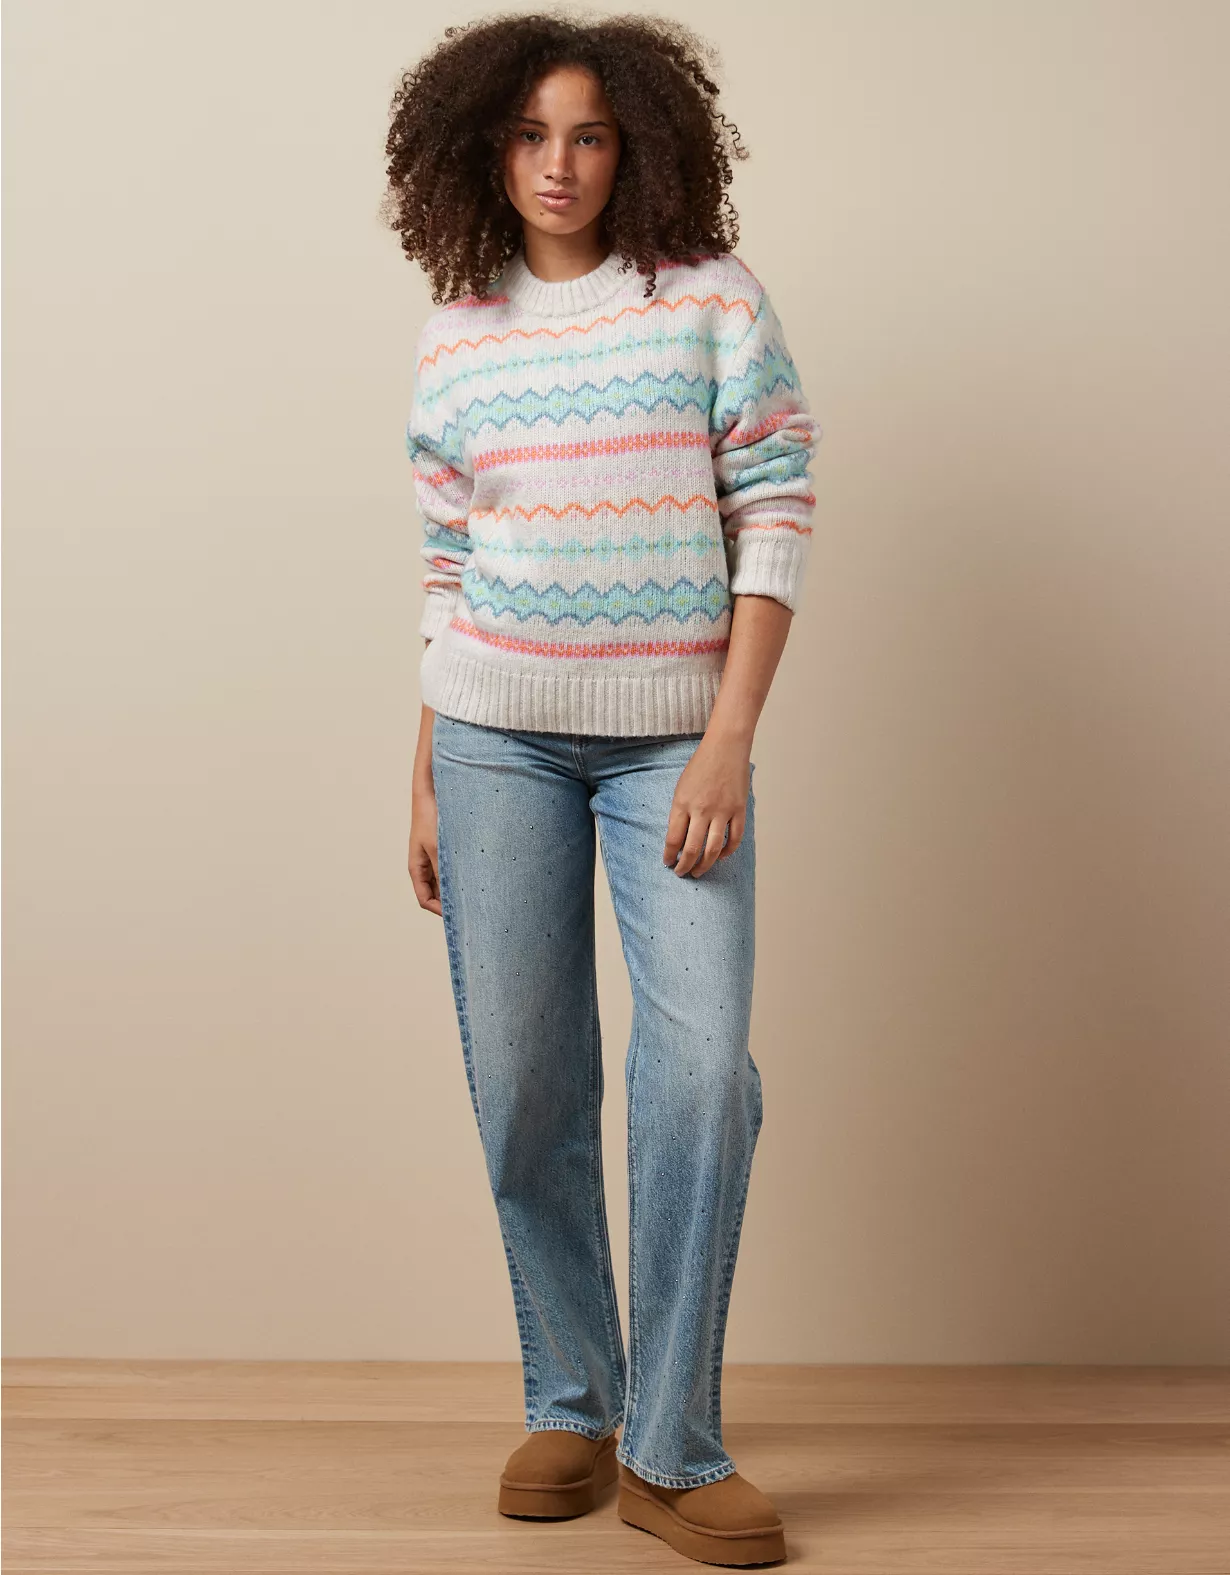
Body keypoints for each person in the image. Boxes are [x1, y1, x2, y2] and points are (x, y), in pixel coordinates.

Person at [385, 13, 818, 1567]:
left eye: (585, 135)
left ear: (634, 145)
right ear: (480, 153)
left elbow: (775, 508)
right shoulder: (456, 331)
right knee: (525, 1089)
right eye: (526, 136)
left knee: (698, 1077)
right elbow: (446, 569)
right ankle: (571, 1396)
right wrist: (424, 770)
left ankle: (672, 1444)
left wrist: (728, 735)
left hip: (669, 746)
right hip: (490, 739)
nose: (556, 166)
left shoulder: (707, 297)